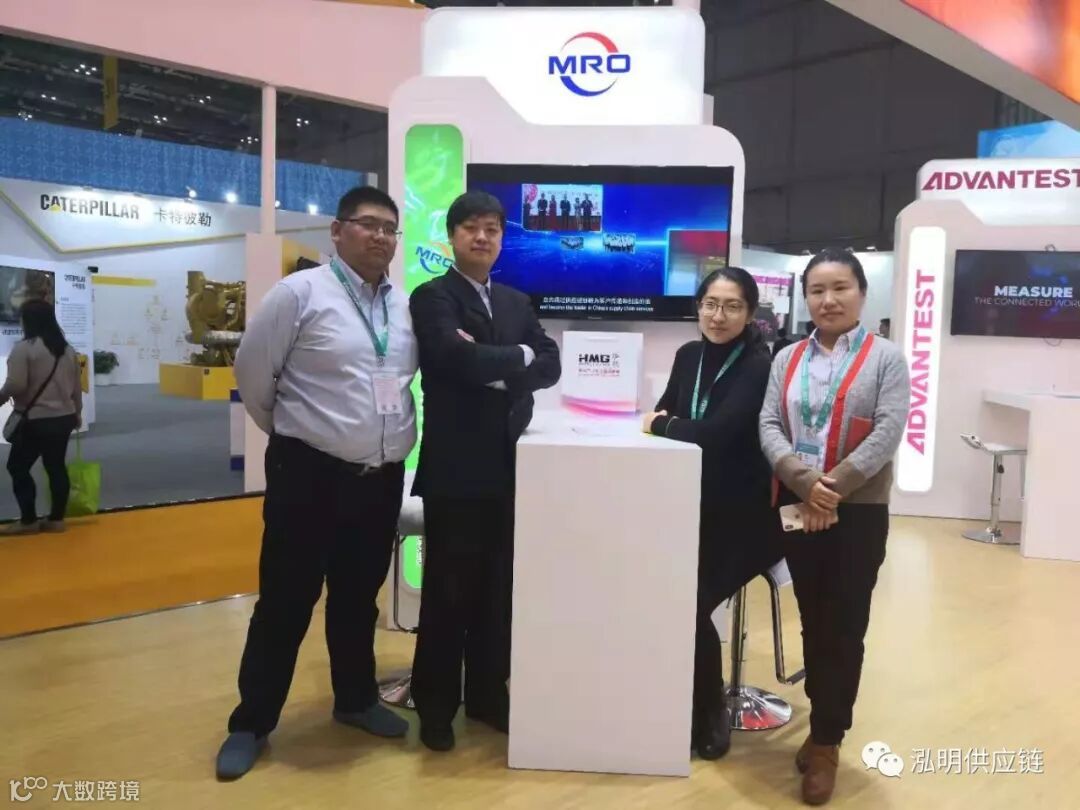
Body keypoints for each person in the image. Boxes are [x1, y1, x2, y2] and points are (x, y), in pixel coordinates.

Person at [216, 186, 418, 780]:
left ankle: (355, 700)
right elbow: (254, 376)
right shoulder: (299, 294)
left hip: (379, 479)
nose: (380, 236)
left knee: (357, 600)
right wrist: (297, 436)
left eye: (389, 228)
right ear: (337, 231)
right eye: (367, 224)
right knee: (285, 600)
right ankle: (251, 723)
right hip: (309, 475)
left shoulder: (404, 307)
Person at [408, 190, 561, 752]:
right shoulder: (433, 296)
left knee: (498, 592)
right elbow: (453, 358)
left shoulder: (517, 301)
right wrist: (518, 358)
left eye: (492, 229)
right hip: (455, 469)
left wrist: (496, 367)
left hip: (510, 467)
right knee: (448, 592)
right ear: (452, 236)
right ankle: (436, 706)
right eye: (471, 227)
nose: (482, 237)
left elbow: (552, 364)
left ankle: (488, 697)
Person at [759, 248, 909, 806]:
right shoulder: (787, 357)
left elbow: (889, 430)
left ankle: (826, 741)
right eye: (817, 290)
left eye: (840, 288)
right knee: (813, 620)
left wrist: (833, 486)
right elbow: (769, 423)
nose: (828, 300)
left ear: (861, 293)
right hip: (798, 506)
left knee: (845, 624)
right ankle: (823, 722)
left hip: (858, 511)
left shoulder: (886, 358)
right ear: (806, 298)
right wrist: (804, 483)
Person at [641, 267, 782, 761]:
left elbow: (716, 435)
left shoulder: (759, 365)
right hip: (690, 510)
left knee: (690, 601)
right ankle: (676, 697)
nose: (719, 316)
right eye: (710, 304)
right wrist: (674, 425)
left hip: (747, 521)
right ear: (698, 306)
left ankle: (709, 709)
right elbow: (667, 412)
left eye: (732, 306)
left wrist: (667, 426)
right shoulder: (688, 355)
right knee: (659, 590)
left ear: (750, 313)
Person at [0, 299, 82, 536]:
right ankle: (56, 520)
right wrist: (77, 412)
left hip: (36, 420)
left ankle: (28, 521)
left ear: (28, 321)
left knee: (17, 466)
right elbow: (76, 388)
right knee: (55, 466)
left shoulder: (24, 348)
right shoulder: (67, 350)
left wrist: (1, 397)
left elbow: (16, 384)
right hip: (64, 417)